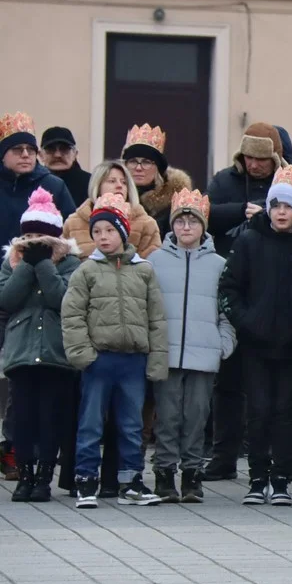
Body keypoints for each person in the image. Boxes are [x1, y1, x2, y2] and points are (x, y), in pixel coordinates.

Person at [204, 123, 292, 483]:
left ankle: (285, 460)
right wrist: (242, 211)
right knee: (230, 388)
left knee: (284, 400)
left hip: (286, 320)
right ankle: (224, 455)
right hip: (246, 306)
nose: (254, 164)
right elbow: (206, 213)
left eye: (262, 159)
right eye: (249, 157)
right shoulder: (224, 181)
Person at [61, 193, 169, 508]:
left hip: (133, 361)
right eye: (97, 232)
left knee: (132, 423)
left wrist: (156, 360)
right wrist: (83, 355)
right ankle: (84, 481)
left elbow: (156, 318)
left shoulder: (144, 271)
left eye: (109, 230)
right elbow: (72, 315)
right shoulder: (86, 272)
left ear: (122, 232)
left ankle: (131, 481)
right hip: (99, 360)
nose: (103, 237)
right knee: (91, 422)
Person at [219, 165, 292, 507]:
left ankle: (282, 477)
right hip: (255, 345)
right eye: (276, 206)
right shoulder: (249, 241)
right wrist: (246, 322)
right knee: (257, 410)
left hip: (290, 345)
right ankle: (257, 478)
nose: (281, 212)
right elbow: (229, 288)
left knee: (287, 412)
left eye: (287, 207)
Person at [146, 189, 236, 503]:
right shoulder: (155, 262)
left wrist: (223, 342)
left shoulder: (218, 264)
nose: (186, 228)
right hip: (166, 353)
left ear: (203, 226)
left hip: (204, 353)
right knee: (168, 416)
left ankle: (192, 474)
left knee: (197, 415)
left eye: (193, 222)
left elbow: (227, 309)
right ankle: (165, 472)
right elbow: (147, 306)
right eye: (180, 222)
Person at [0, 188, 80, 501]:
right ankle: (24, 475)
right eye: (29, 235)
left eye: (41, 236)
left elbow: (62, 300)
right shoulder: (12, 262)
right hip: (21, 352)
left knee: (50, 418)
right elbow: (6, 299)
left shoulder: (69, 264)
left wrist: (45, 265)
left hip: (55, 353)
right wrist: (25, 267)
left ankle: (45, 476)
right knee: (22, 418)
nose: (34, 242)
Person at [0, 113, 76, 248]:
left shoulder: (53, 185)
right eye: (17, 149)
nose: (25, 155)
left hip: (39, 265)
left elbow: (71, 231)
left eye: (31, 150)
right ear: (3, 155)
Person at [62, 160, 161, 259]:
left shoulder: (146, 224)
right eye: (112, 181)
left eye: (124, 182)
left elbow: (151, 267)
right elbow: (65, 265)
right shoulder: (73, 223)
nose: (119, 186)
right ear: (97, 186)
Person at [121, 124, 194, 240]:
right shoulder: (113, 195)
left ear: (158, 168)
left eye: (146, 162)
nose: (138, 168)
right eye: (133, 161)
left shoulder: (173, 204)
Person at [40, 126, 91, 206]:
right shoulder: (32, 183)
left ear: (75, 154)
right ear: (41, 155)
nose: (57, 155)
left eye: (64, 149)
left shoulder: (91, 183)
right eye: (51, 149)